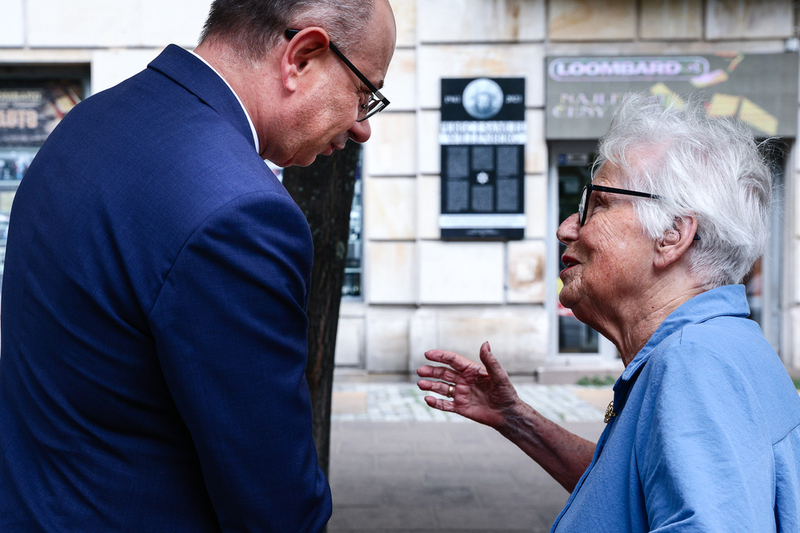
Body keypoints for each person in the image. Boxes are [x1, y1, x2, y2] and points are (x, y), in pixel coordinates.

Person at [0, 0, 396, 531]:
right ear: (302, 56)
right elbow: (275, 503)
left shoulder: (91, 120)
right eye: (364, 93)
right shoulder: (242, 213)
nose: (361, 126)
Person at [417, 93, 800, 531]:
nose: (566, 228)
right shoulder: (724, 345)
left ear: (673, 235)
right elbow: (635, 496)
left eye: (598, 204)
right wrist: (516, 420)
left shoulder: (694, 364)